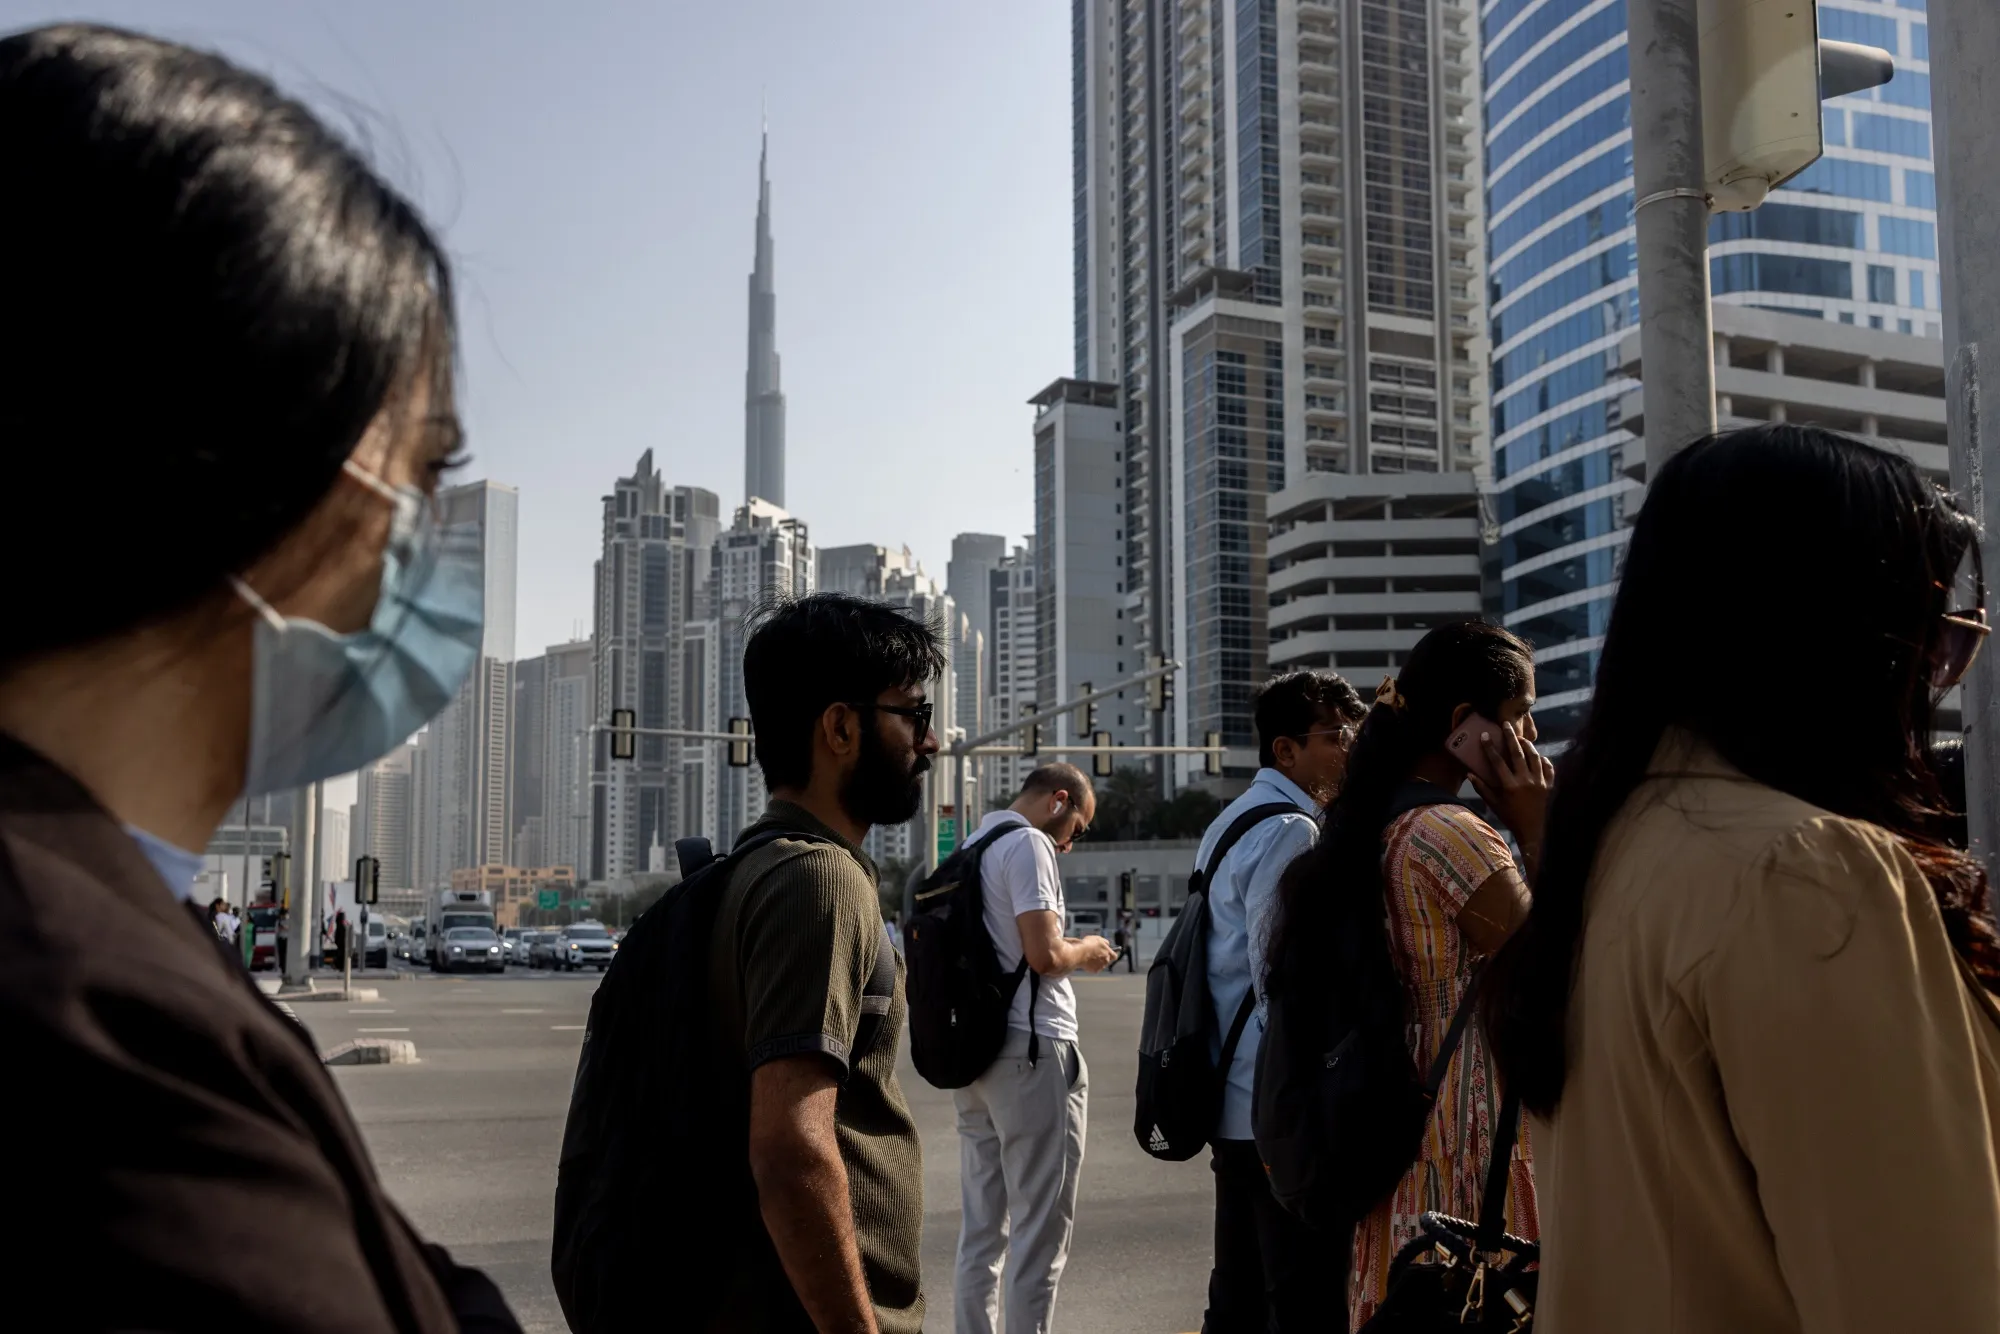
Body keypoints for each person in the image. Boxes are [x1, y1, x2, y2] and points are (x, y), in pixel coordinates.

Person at [0, 24, 517, 1330]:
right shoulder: (93, 1039)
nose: (422, 535)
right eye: (422, 470)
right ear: (245, 463)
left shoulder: (114, 918)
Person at [1484, 424, 2000, 1333]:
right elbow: (1923, 1292)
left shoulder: (1612, 848)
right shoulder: (1808, 873)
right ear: (1842, 637)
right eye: (1936, 644)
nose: (1938, 687)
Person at [1266, 622, 1551, 1330]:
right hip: (1469, 1125)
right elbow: (1561, 970)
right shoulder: (1452, 836)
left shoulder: (1365, 824)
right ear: (1463, 724)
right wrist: (1537, 829)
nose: (1532, 733)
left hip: (1393, 1123)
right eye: (1519, 716)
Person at [705, 592, 941, 1332]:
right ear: (841, 727)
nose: (929, 743)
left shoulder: (755, 866)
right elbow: (791, 1151)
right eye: (914, 716)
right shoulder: (818, 882)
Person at [1199, 669, 1365, 1334]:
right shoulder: (1292, 829)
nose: (1348, 748)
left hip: (1230, 1094)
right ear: (1286, 751)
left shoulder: (1231, 820)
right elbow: (1277, 980)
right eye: (1335, 735)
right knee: (1299, 1295)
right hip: (1271, 1105)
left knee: (1237, 1288)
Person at [954, 763, 1117, 1334]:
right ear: (1059, 801)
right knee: (1040, 1232)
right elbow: (1045, 954)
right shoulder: (1029, 843)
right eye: (1077, 829)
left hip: (974, 1057)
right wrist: (1089, 949)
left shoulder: (973, 843)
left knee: (983, 1228)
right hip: (1033, 1048)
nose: (1070, 845)